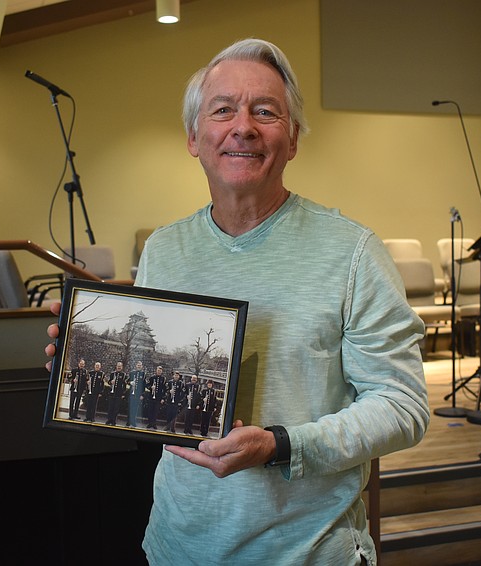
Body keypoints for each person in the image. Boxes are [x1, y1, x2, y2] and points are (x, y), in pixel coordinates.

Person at [46, 38, 428, 565]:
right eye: (222, 109)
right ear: (193, 137)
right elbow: (155, 396)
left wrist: (282, 444)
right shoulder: (165, 248)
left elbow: (402, 406)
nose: (242, 126)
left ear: (292, 139)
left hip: (308, 552)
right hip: (178, 546)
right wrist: (87, 357)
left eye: (265, 112)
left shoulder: (354, 252)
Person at [105, 361, 127, 426]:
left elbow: (124, 385)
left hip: (118, 394)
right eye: (118, 366)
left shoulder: (124, 375)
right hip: (112, 393)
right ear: (116, 366)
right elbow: (108, 382)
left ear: (122, 367)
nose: (119, 367)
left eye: (120, 366)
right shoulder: (112, 374)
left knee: (116, 409)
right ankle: (109, 420)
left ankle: (113, 420)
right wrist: (111, 382)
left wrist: (123, 394)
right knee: (110, 408)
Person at [144, 366, 166, 430]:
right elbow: (147, 385)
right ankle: (150, 423)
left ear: (161, 372)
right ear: (156, 371)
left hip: (158, 398)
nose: (159, 371)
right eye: (158, 370)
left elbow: (164, 390)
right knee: (150, 411)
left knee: (156, 411)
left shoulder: (163, 379)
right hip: (151, 397)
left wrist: (163, 398)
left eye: (160, 371)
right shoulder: (152, 378)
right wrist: (151, 387)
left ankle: (154, 424)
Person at [126, 360, 146, 427]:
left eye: (140, 365)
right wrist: (130, 382)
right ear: (136, 366)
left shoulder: (143, 374)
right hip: (131, 393)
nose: (139, 366)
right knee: (130, 408)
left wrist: (142, 394)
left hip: (138, 394)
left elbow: (144, 385)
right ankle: (128, 422)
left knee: (135, 409)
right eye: (138, 365)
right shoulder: (132, 373)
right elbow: (127, 381)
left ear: (141, 366)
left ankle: (133, 422)